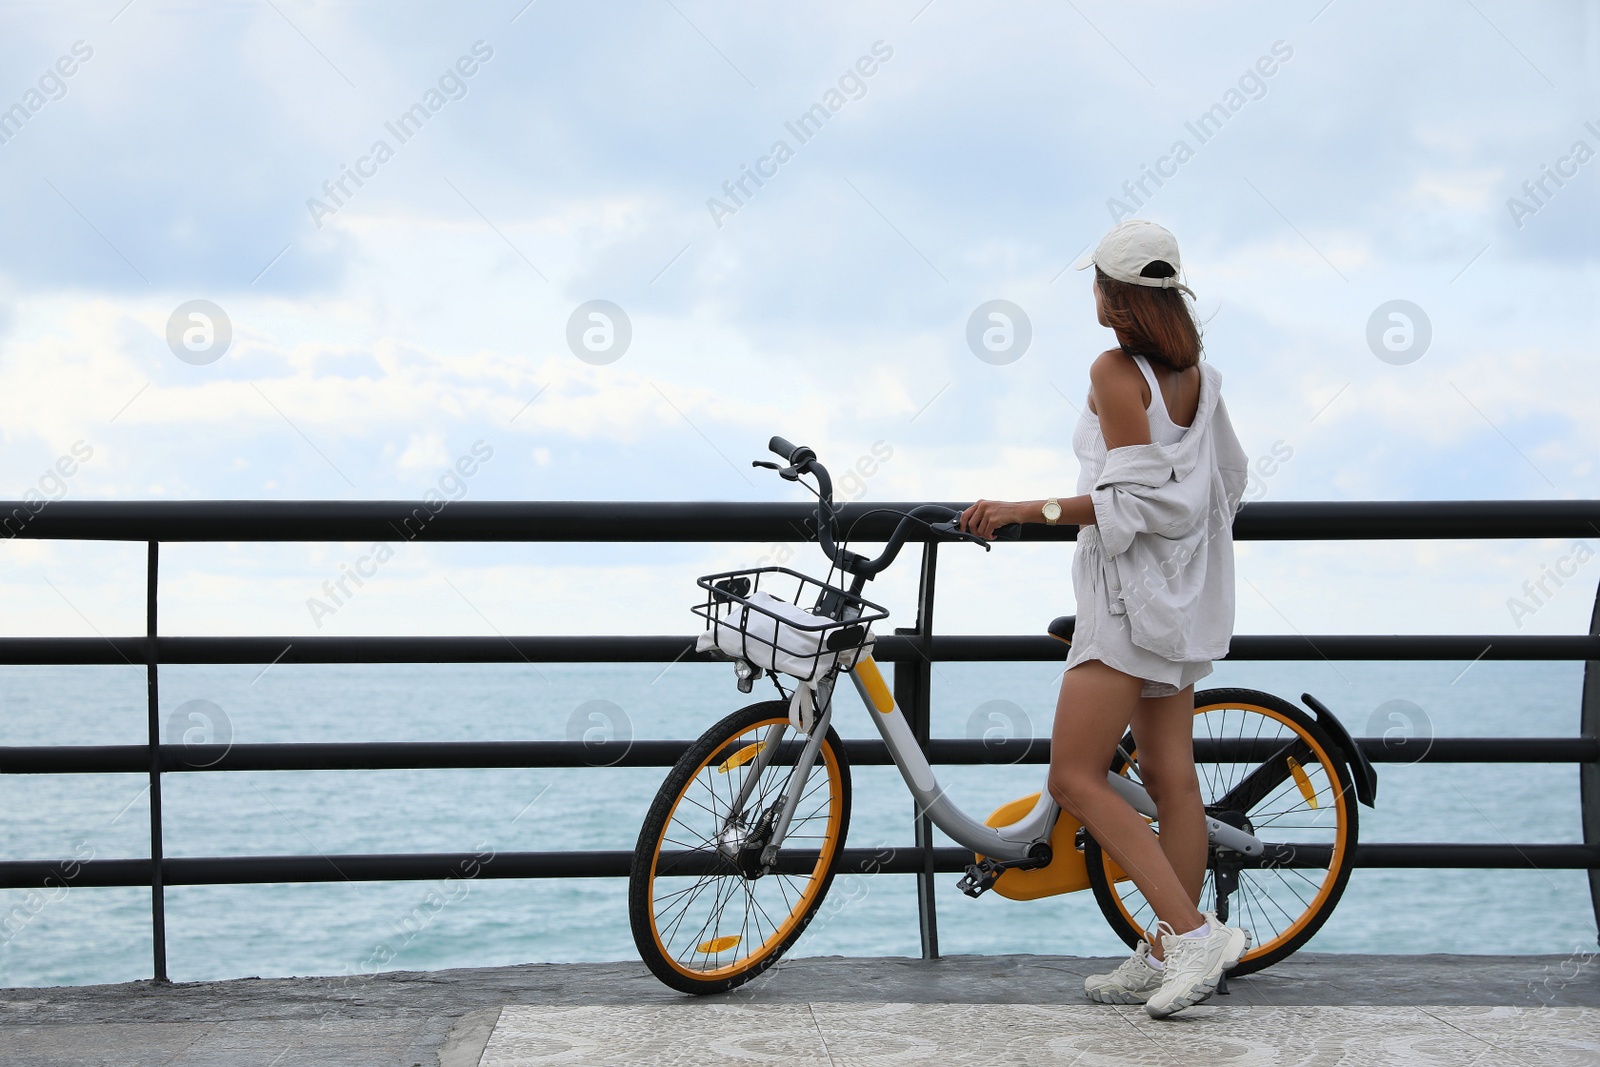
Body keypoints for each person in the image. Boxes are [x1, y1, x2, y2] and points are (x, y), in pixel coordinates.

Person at [959, 218, 1250, 1019]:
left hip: (1127, 600)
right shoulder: (1202, 378)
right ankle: (1163, 952)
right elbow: (1224, 480)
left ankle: (1192, 935)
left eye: (1094, 279)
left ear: (1113, 295)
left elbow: (1128, 500)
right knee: (1169, 776)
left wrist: (1021, 507)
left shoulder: (1115, 371)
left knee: (1074, 774)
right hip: (1184, 593)